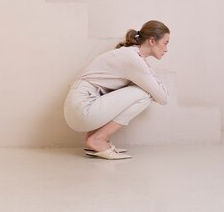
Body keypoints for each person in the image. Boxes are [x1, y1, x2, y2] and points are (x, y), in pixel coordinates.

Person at [63, 20, 170, 160]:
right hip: (82, 108)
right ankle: (98, 139)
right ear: (152, 41)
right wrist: (151, 75)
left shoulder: (133, 56)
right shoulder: (133, 59)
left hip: (79, 108)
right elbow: (163, 98)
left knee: (144, 90)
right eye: (166, 42)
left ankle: (94, 138)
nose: (166, 49)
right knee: (144, 94)